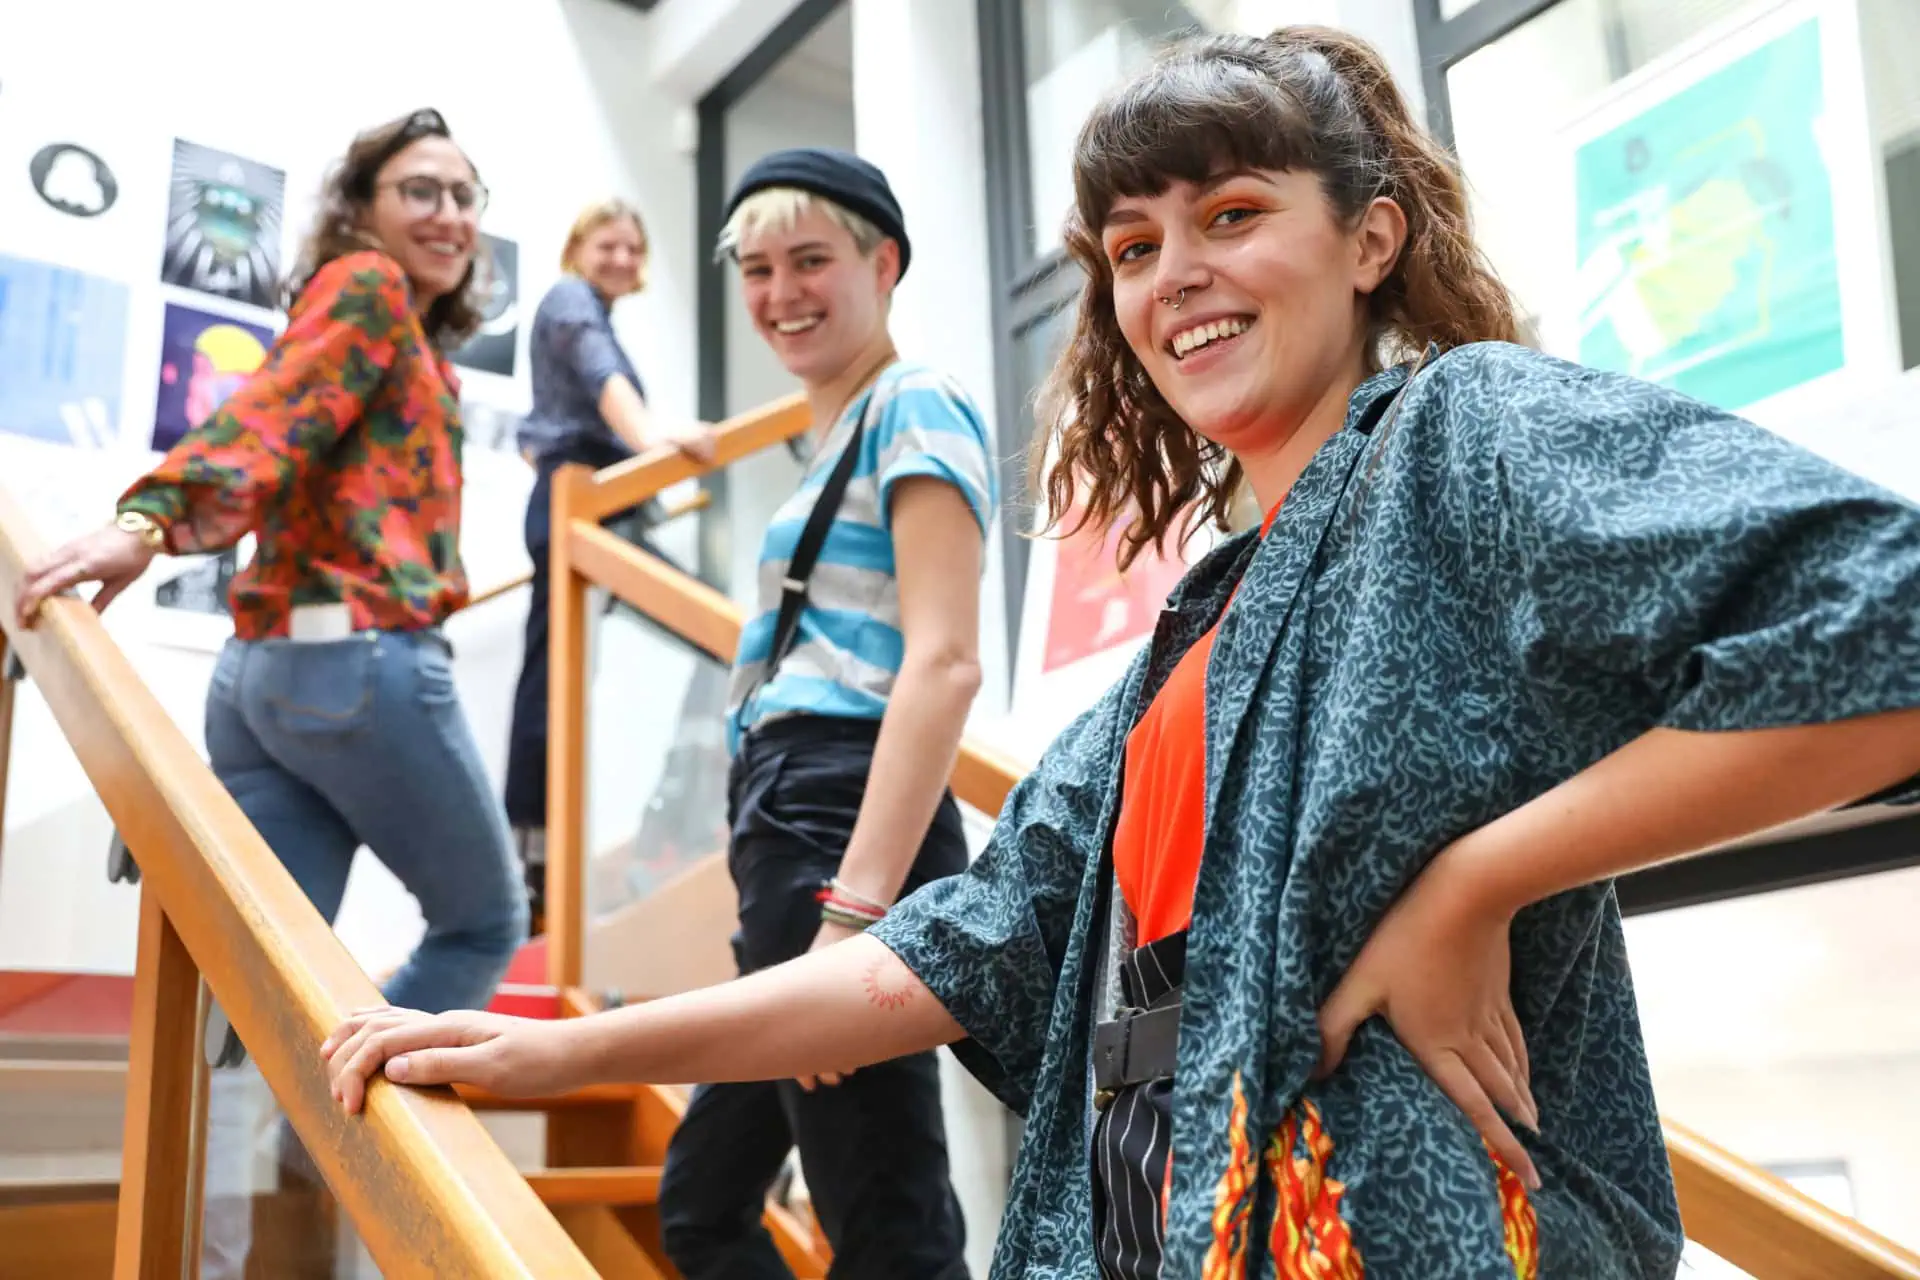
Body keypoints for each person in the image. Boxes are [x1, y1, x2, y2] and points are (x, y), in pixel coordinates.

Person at [324, 31, 1920, 1280]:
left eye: (1232, 217)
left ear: (1370, 242)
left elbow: (1882, 631)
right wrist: (559, 1047)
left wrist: (1469, 886)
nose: (1177, 279)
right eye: (1135, 247)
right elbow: (925, 965)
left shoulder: (1461, 428)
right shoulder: (1178, 647)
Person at [18, 107, 528, 1019]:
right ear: (360, 209)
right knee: (484, 926)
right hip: (358, 672)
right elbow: (273, 412)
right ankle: (321, 1147)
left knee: (265, 977)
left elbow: (288, 425)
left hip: (264, 680)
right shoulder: (368, 285)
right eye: (421, 190)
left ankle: (236, 1155)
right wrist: (146, 520)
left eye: (464, 195)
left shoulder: (401, 331)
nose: (451, 214)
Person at [503, 198, 715, 925]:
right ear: (576, 246)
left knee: (575, 678)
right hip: (582, 508)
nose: (623, 258)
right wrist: (656, 438)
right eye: (608, 244)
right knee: (561, 680)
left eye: (634, 247)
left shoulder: (590, 311)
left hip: (602, 505)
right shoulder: (569, 300)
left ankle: (556, 854)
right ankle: (535, 865)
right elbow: (600, 379)